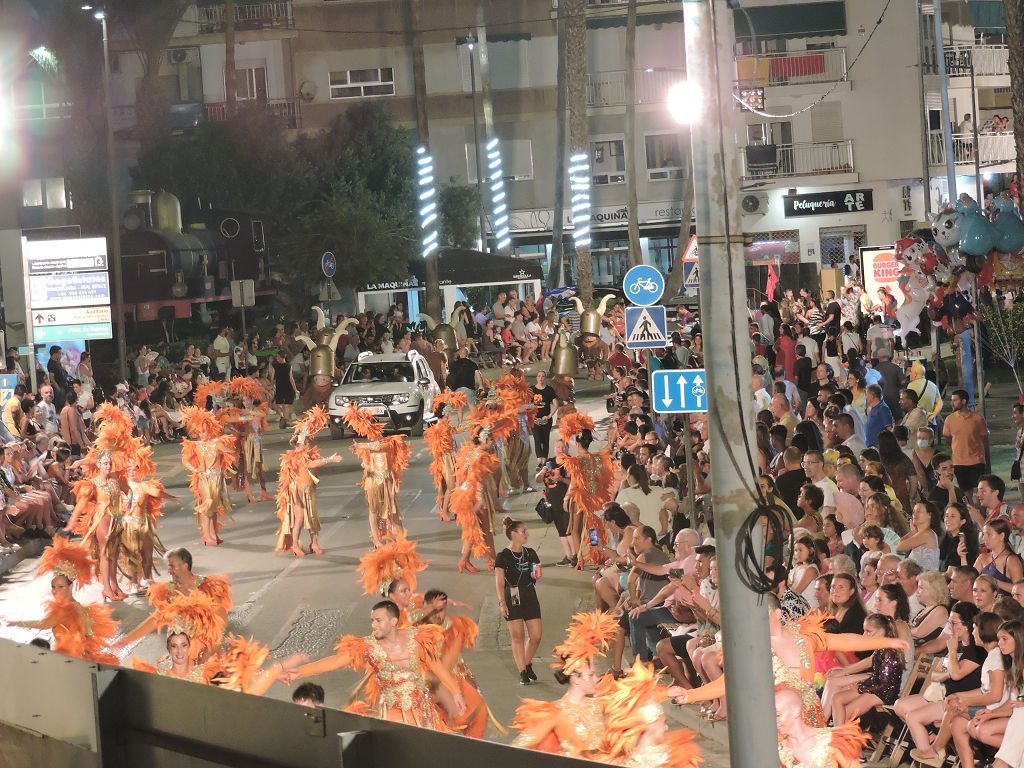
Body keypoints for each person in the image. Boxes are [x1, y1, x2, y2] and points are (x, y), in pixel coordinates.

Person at [291, 600, 466, 729]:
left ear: (393, 622)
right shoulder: (368, 646)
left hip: (423, 708)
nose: (373, 625)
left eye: (378, 620)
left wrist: (456, 692)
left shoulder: (416, 639)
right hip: (393, 710)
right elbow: (335, 661)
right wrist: (298, 672)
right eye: (372, 620)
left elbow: (435, 665)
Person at [512, 611, 616, 758]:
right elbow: (518, 747)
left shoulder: (599, 703)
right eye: (591, 675)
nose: (596, 679)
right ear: (576, 678)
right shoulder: (556, 712)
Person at [7, 539, 118, 664]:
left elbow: (43, 624)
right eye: (53, 587)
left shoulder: (67, 610)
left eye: (60, 587)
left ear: (70, 587)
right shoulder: (77, 606)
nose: (55, 591)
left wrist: (17, 623)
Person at [342, 404, 410, 549]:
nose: (373, 435)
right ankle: (376, 538)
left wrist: (361, 446)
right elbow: (365, 464)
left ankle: (400, 538)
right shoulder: (367, 448)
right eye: (370, 432)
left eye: (375, 431)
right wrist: (367, 465)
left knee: (392, 508)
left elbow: (379, 447)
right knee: (374, 510)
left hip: (387, 480)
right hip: (373, 480)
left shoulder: (387, 443)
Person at [275, 407, 340, 557]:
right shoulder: (297, 456)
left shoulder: (308, 454)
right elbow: (311, 465)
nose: (308, 445)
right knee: (300, 518)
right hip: (298, 492)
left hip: (308, 490)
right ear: (299, 444)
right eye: (305, 442)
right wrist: (330, 459)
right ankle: (295, 544)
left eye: (308, 442)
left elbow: (313, 470)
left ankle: (314, 543)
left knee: (312, 517)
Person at [495, 517, 543, 686]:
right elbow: (500, 582)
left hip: (529, 593)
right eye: (523, 532)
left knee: (536, 635)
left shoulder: (530, 553)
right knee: (518, 636)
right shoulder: (503, 556)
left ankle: (527, 662)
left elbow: (536, 570)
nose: (526, 534)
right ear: (513, 534)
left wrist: (536, 573)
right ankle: (522, 671)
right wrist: (502, 603)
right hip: (512, 595)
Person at [180, 406, 237, 547]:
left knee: (215, 507)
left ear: (209, 429)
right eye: (199, 432)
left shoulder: (217, 443)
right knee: (208, 506)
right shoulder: (196, 445)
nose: (201, 435)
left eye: (204, 431)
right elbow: (185, 460)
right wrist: (196, 468)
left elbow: (228, 451)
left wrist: (233, 448)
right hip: (204, 478)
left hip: (217, 479)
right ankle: (206, 535)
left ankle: (213, 533)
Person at [943, 389, 988, 501]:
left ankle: (983, 516)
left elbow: (984, 437)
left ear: (963, 401)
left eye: (955, 400)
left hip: (976, 460)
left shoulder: (977, 419)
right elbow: (947, 437)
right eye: (951, 400)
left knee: (980, 491)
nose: (952, 403)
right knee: (966, 493)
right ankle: (970, 515)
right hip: (959, 462)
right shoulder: (949, 420)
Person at [530, 370, 558, 463]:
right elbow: (526, 404)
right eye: (539, 376)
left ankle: (544, 461)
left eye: (542, 376)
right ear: (536, 378)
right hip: (535, 419)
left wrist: (549, 415)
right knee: (537, 440)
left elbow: (556, 404)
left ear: (545, 378)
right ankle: (539, 462)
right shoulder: (531, 390)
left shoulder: (549, 390)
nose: (540, 378)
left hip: (546, 420)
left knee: (545, 440)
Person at [864, 384, 893, 448]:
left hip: (879, 448)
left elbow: (889, 429)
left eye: (867, 394)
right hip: (871, 447)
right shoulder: (873, 408)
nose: (866, 397)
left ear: (872, 395)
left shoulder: (883, 408)